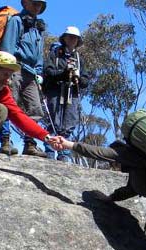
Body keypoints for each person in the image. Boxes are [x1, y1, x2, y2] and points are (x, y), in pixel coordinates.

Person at [48, 136, 146, 249]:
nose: (113, 164)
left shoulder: (129, 155)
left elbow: (98, 152)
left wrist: (68, 144)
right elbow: (131, 189)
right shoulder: (140, 168)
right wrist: (110, 198)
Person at [0, 0, 50, 157]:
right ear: (25, 3)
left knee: (36, 109)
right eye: (35, 3)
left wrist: (39, 72)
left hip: (32, 74)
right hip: (16, 68)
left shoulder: (38, 28)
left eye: (40, 4)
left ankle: (30, 144)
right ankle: (6, 142)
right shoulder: (16, 21)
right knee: (8, 105)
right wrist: (7, 69)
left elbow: (39, 54)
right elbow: (8, 46)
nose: (37, 6)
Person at [41, 26, 90, 161]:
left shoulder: (79, 59)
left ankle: (64, 154)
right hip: (56, 91)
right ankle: (50, 151)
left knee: (69, 122)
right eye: (70, 37)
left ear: (78, 40)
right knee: (54, 121)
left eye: (75, 38)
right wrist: (63, 73)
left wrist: (77, 77)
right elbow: (48, 71)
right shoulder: (55, 54)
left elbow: (86, 81)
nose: (72, 39)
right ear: (64, 38)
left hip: (72, 92)